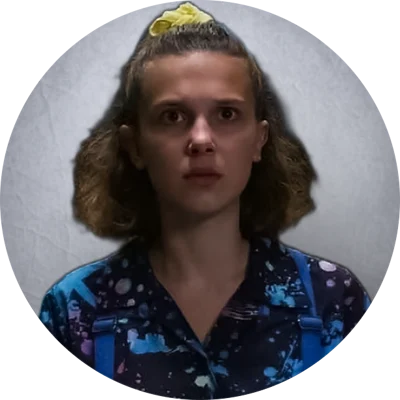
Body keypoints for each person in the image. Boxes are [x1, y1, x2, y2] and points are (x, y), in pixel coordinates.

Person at [39, 2, 371, 398]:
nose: (200, 139)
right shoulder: (75, 311)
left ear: (259, 140)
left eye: (227, 114)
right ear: (135, 145)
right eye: (173, 116)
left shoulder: (332, 300)